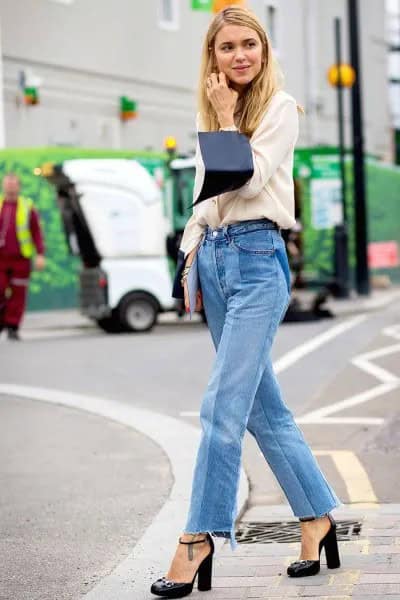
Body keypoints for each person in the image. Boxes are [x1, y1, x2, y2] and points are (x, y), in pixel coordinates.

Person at [151, 7, 341, 598]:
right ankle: (317, 518)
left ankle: (198, 536)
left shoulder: (279, 109)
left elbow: (248, 181)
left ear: (263, 50)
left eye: (249, 45)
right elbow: (208, 199)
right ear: (212, 56)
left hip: (259, 263)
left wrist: (231, 119)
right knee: (264, 412)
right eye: (227, 46)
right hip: (214, 257)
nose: (240, 55)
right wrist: (190, 251)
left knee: (220, 407)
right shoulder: (210, 114)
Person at [0, 173, 45, 340]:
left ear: (18, 187)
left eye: (13, 184)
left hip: (20, 259)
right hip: (1, 259)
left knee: (18, 294)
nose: (10, 187)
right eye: (7, 184)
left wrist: (40, 254)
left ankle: (12, 326)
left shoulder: (27, 207)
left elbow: (36, 232)